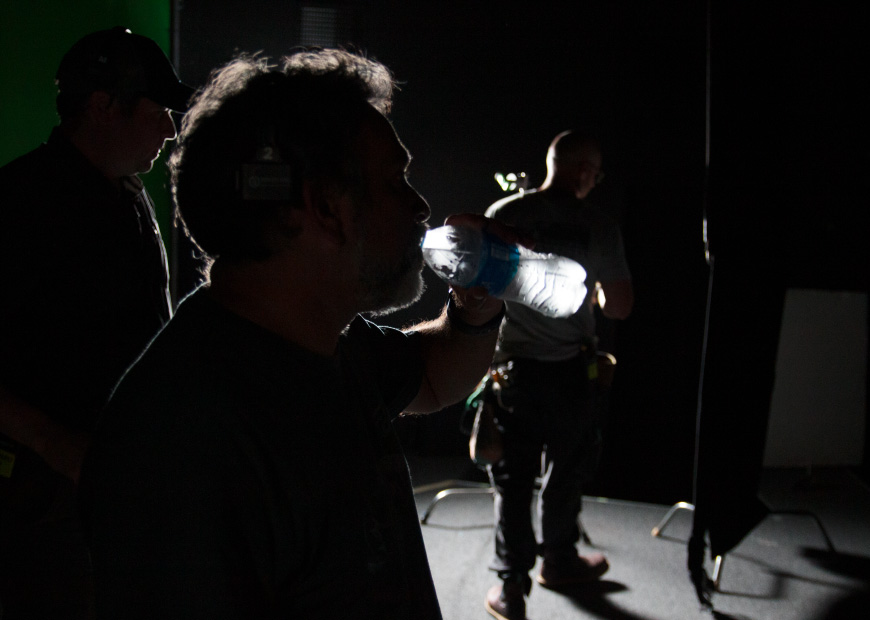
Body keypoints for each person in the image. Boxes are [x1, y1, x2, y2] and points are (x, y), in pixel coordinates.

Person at [79, 49, 517, 620]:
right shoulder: (175, 446)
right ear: (325, 209)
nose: (421, 206)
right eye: (396, 181)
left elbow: (434, 377)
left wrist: (474, 308)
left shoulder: (328, 340)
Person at [0, 27, 193, 619]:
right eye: (158, 112)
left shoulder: (127, 194)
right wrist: (55, 444)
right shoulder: (18, 204)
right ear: (103, 106)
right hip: (43, 512)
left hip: (119, 498)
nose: (171, 129)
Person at [482, 130, 634, 620]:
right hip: (572, 371)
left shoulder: (504, 213)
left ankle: (512, 587)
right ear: (584, 171)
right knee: (566, 470)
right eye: (595, 174)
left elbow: (481, 290)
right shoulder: (598, 225)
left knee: (512, 480)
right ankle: (559, 560)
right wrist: (595, 292)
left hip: (514, 372)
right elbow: (621, 306)